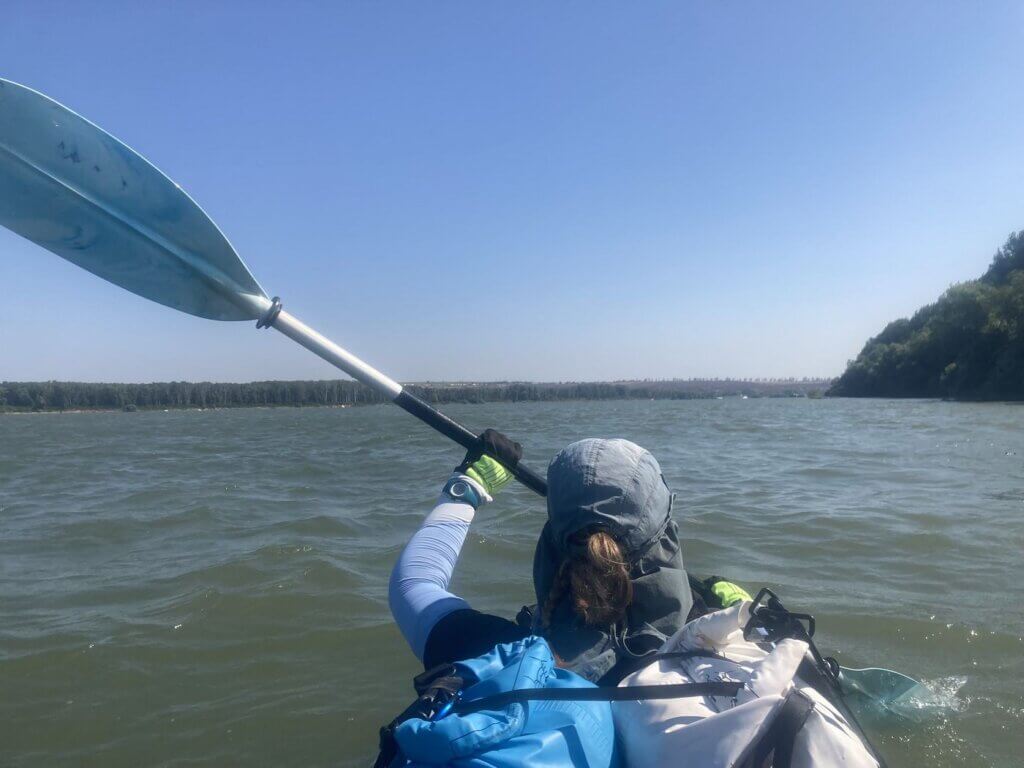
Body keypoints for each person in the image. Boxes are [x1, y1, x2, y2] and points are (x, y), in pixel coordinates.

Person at [389, 430, 735, 682]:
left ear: (550, 545)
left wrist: (469, 486)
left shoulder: (498, 658)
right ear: (669, 538)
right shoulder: (730, 651)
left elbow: (414, 582)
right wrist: (739, 611)